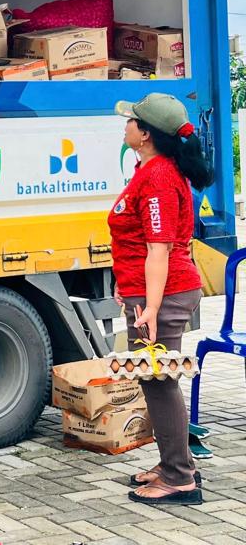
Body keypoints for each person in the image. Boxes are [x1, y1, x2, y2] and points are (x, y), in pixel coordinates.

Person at [111, 94, 211, 506]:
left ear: (146, 134)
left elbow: (159, 247)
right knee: (156, 380)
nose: (125, 124)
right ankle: (172, 462)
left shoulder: (158, 180)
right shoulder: (150, 169)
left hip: (163, 296)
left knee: (159, 382)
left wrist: (150, 307)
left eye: (132, 120)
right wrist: (128, 285)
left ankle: (179, 477)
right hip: (150, 291)